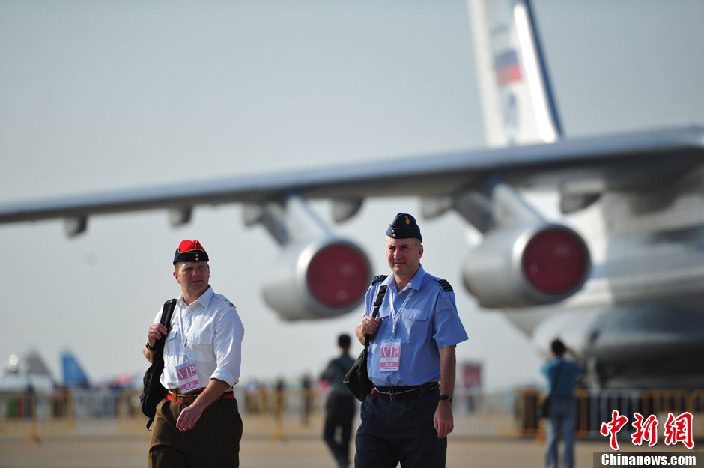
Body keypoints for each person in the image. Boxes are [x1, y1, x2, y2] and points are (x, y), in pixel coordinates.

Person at [354, 213, 468, 468]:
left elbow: (447, 349)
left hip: (420, 408)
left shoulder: (438, 292)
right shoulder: (376, 290)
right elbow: (363, 338)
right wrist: (363, 329)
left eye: (404, 247)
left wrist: (445, 403)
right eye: (392, 248)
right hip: (377, 406)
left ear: (420, 250)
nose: (397, 254)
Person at [143, 239, 245, 468]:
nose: (196, 274)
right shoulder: (167, 310)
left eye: (201, 268)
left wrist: (198, 407)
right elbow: (152, 357)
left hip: (212, 410)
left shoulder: (223, 313)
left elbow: (227, 371)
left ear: (209, 271)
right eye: (188, 269)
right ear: (176, 275)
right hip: (169, 409)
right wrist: (150, 344)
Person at [541, 338, 584, 468]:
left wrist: (551, 356)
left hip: (553, 403)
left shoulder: (549, 367)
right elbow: (582, 367)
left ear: (553, 351)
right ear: (564, 350)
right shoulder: (571, 366)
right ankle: (568, 465)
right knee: (569, 438)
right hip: (569, 402)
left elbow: (544, 366)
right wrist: (572, 353)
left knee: (552, 436)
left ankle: (552, 465)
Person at [320, 333, 356, 468]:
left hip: (336, 400)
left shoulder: (334, 363)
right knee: (346, 436)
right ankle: (344, 462)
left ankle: (341, 459)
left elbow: (324, 377)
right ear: (350, 345)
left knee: (328, 434)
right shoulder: (355, 362)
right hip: (350, 401)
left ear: (338, 345)